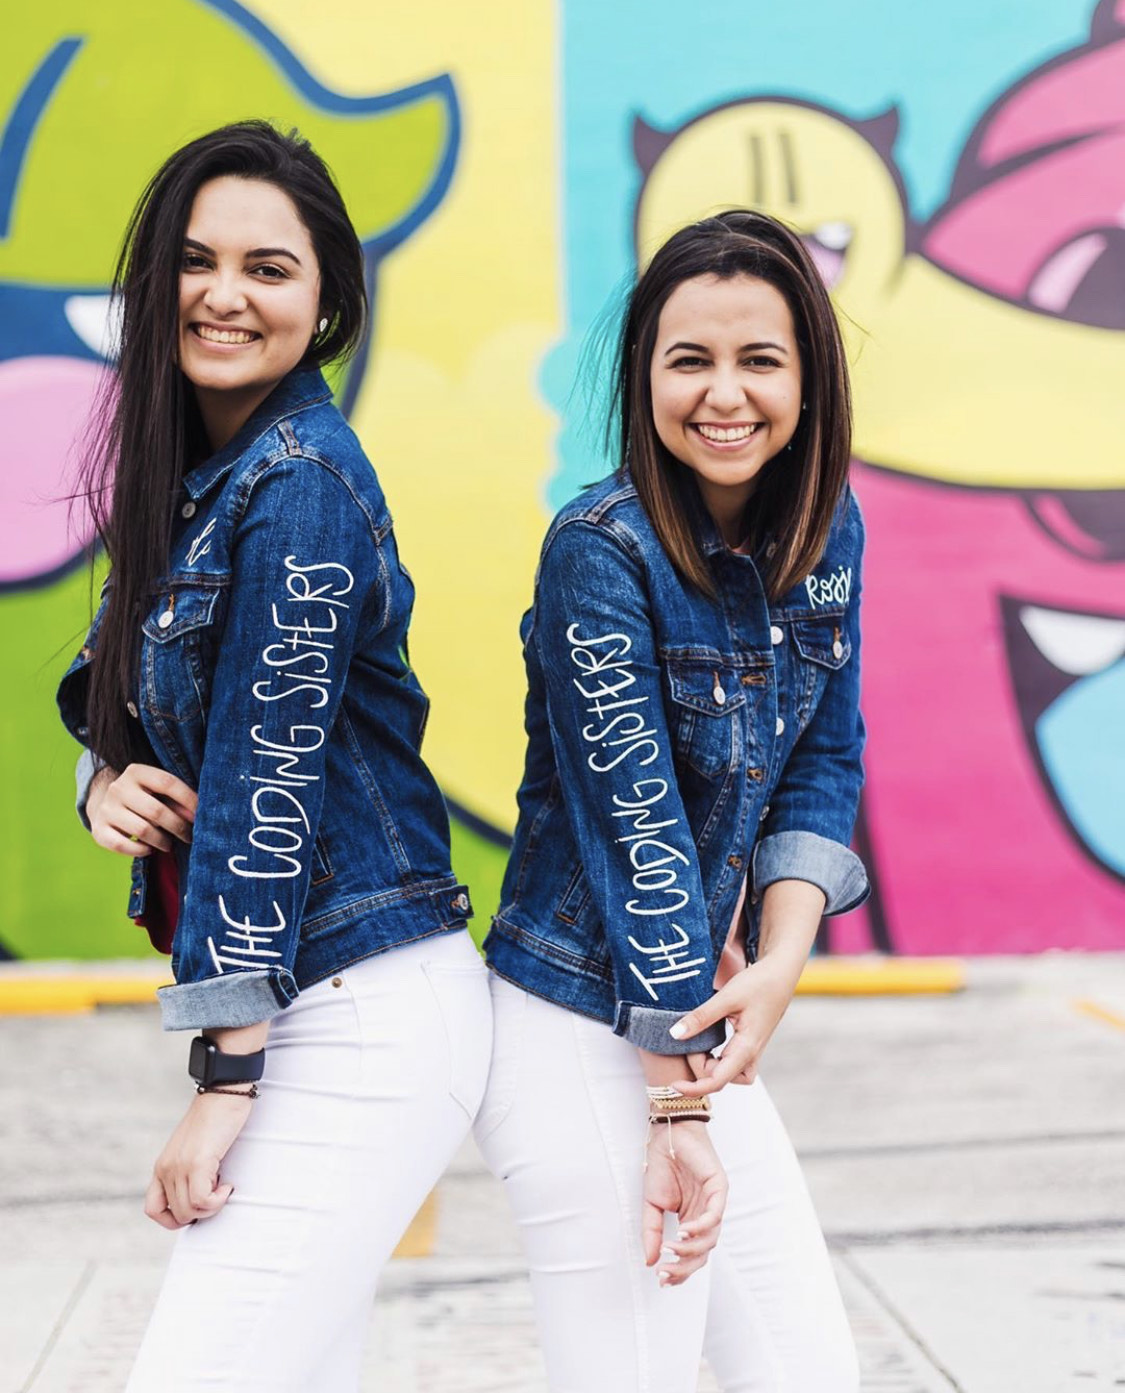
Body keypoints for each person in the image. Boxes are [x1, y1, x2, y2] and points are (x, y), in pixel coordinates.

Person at [57, 121, 491, 1393]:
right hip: (315, 1002)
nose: (225, 295)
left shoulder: (298, 484)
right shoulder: (193, 477)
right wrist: (101, 782)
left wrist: (225, 1075)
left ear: (327, 300)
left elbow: (265, 783)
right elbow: (109, 690)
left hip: (359, 1007)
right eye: (197, 261)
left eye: (269, 267)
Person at [475, 209, 866, 1390]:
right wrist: (679, 1115)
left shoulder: (827, 531)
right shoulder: (600, 551)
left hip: (693, 1024)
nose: (723, 394)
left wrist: (781, 961)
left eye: (760, 360)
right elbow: (638, 834)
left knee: (806, 1372)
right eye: (689, 359)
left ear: (809, 378)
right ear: (643, 373)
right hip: (578, 1021)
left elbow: (824, 759)